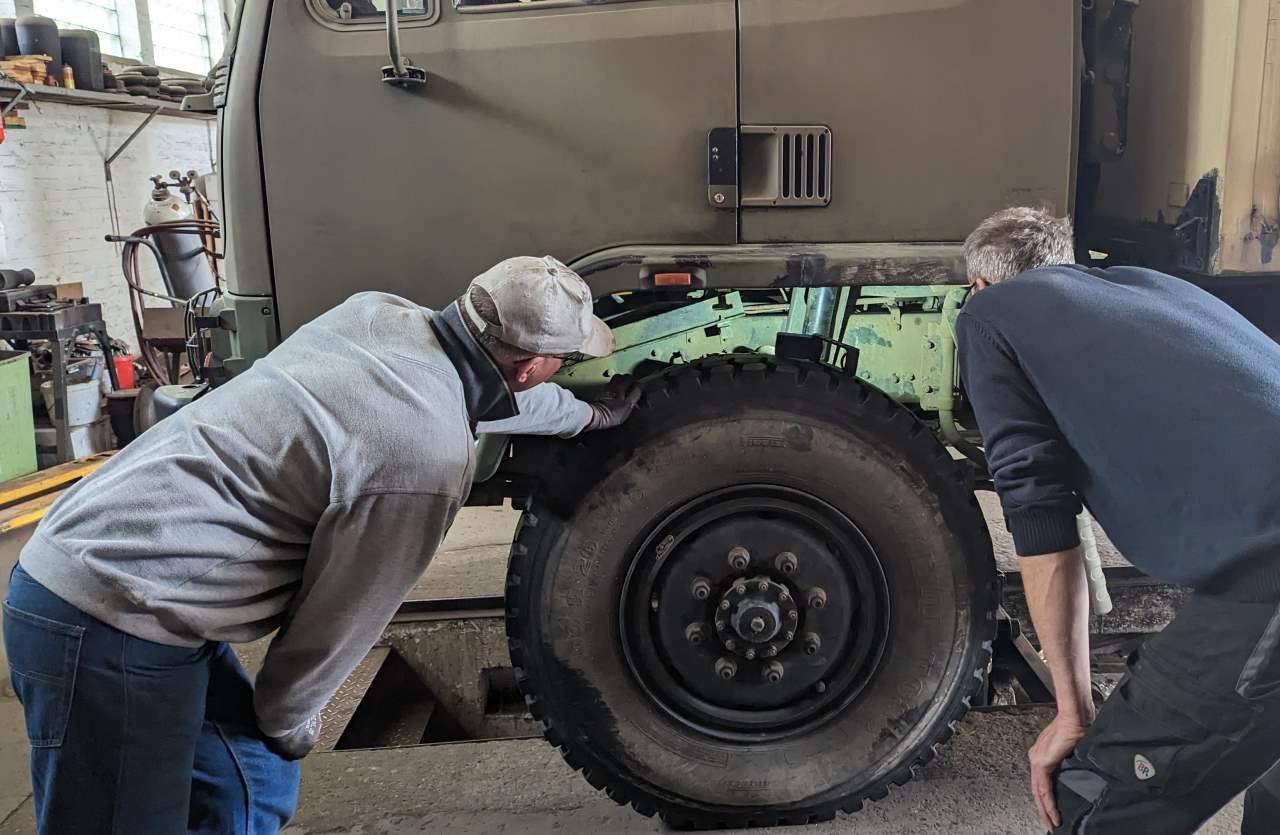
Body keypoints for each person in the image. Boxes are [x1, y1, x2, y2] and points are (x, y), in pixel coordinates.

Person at [3, 256, 640, 834]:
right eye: (562, 361)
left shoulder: (379, 314)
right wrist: (291, 720)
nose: (563, 369)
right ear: (530, 366)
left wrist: (582, 415)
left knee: (245, 785)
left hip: (138, 563)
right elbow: (335, 623)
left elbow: (479, 396)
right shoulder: (420, 465)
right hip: (104, 609)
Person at [956, 207, 1280, 834]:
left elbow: (1042, 525)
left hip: (1270, 568)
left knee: (1096, 801)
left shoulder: (989, 319)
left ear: (981, 285)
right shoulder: (1155, 289)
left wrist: (1073, 713)